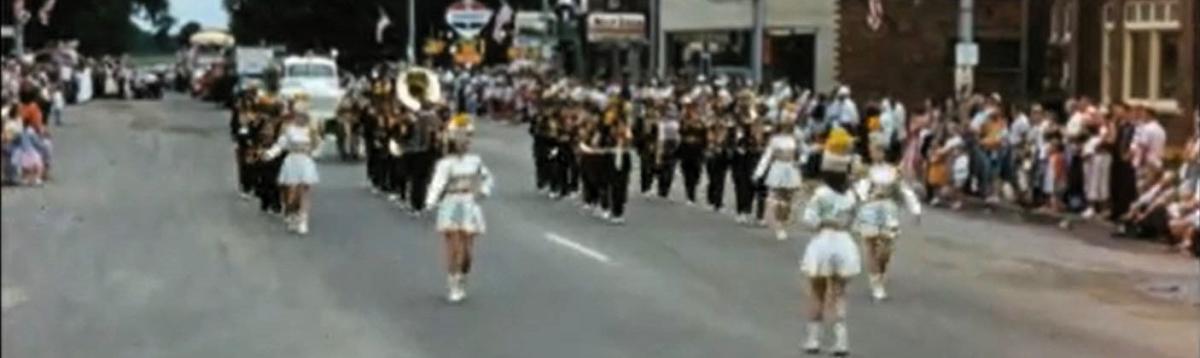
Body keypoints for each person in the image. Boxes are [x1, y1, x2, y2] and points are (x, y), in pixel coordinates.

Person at [798, 130, 862, 356]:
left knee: (817, 291)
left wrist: (822, 221)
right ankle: (841, 340)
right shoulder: (852, 195)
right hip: (844, 242)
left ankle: (813, 339)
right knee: (839, 294)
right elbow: (856, 221)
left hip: (823, 242)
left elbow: (809, 220)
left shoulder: (821, 194)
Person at [425, 129, 494, 303]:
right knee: (454, 247)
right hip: (451, 202)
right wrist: (430, 202)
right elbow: (437, 184)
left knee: (468, 253)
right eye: (460, 142)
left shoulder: (475, 161)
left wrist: (483, 191)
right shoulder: (445, 164)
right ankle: (453, 284)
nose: (463, 145)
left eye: (466, 142)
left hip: (469, 203)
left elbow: (487, 178)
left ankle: (462, 277)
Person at [853, 141, 921, 301]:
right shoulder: (867, 171)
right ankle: (876, 283)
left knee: (885, 249)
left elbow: (905, 191)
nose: (875, 154)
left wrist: (916, 209)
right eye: (873, 151)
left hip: (889, 211)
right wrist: (862, 198)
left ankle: (880, 271)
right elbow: (860, 190)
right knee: (870, 246)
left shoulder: (894, 172)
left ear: (884, 152)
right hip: (870, 210)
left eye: (878, 151)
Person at [263, 95, 322, 234]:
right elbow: (281, 144)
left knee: (304, 192)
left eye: (303, 115)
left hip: (305, 161)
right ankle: (291, 212)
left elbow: (318, 145)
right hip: (292, 161)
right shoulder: (289, 129)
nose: (300, 117)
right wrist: (270, 154)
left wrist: (313, 153)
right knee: (292, 192)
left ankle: (303, 219)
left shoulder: (311, 130)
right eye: (298, 114)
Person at [754, 118, 805, 240]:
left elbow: (804, 152)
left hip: (791, 168)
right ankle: (778, 224)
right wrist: (759, 172)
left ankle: (784, 218)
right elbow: (767, 156)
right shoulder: (775, 140)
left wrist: (800, 161)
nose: (786, 127)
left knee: (788, 197)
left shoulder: (795, 138)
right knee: (778, 196)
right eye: (784, 125)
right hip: (778, 167)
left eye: (788, 125)